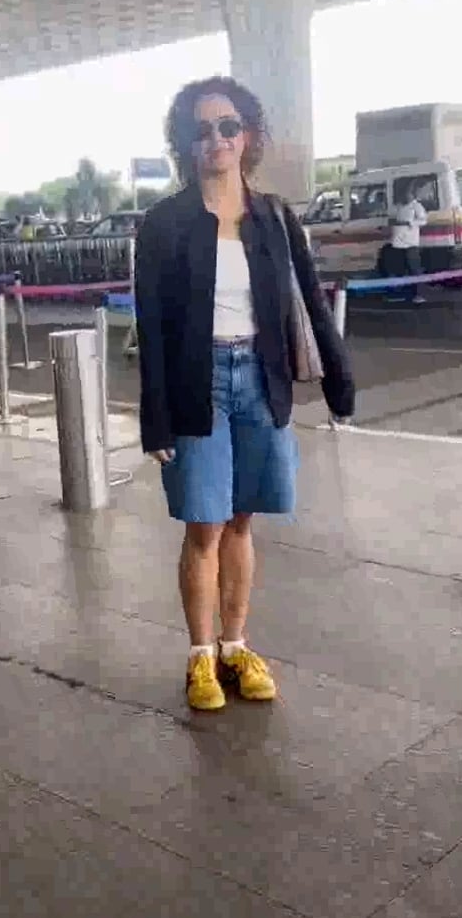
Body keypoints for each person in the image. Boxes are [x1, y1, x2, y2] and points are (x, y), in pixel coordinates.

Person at [134, 76, 356, 711]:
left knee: (240, 519)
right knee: (204, 525)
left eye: (228, 126)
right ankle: (201, 656)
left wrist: (339, 383)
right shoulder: (164, 224)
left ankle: (235, 645)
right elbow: (151, 326)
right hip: (196, 381)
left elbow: (311, 302)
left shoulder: (273, 217)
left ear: (247, 135)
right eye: (202, 129)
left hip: (261, 378)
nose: (217, 139)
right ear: (186, 142)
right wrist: (155, 420)